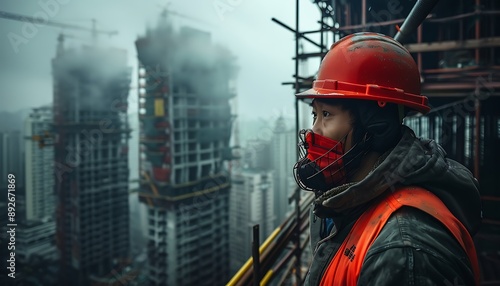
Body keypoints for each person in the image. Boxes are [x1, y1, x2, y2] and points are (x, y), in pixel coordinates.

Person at [293, 32, 482, 286]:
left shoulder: (404, 252)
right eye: (314, 114)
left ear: (375, 129)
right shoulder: (342, 201)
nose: (313, 132)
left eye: (327, 114)